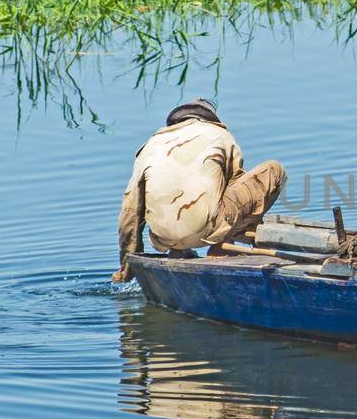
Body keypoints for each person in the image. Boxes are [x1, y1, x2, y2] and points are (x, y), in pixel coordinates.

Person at [113, 98, 286, 283]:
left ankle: (178, 252)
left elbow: (130, 213)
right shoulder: (219, 134)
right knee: (273, 170)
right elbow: (235, 189)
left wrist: (126, 269)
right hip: (210, 225)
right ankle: (221, 248)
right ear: (210, 118)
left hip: (164, 237)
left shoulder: (150, 146)